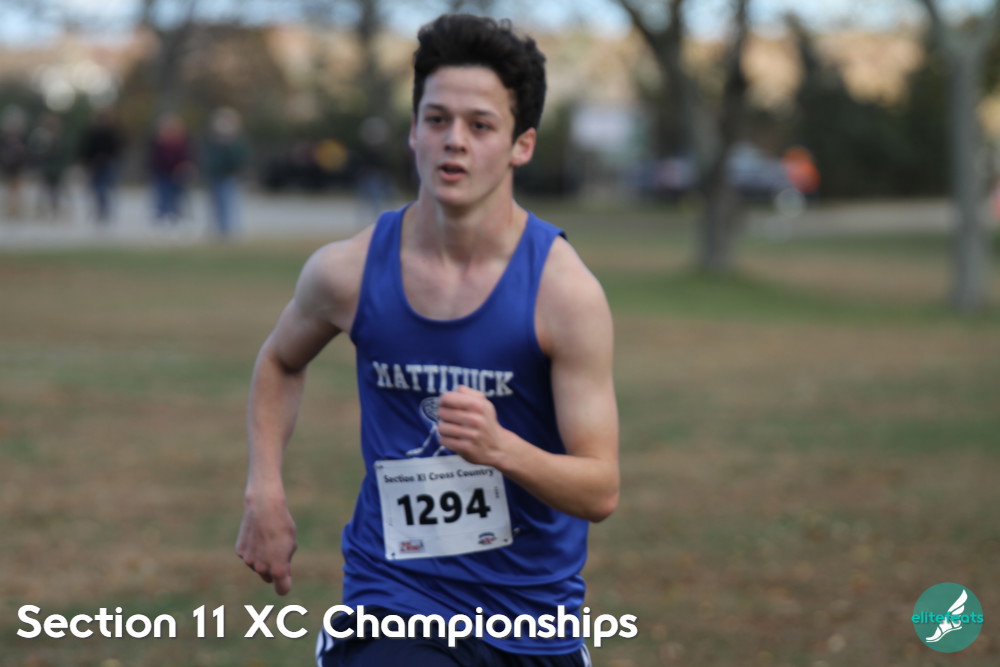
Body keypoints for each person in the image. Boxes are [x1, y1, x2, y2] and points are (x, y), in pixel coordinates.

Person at [236, 14, 619, 666]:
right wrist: (264, 490)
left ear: (522, 145)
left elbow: (599, 489)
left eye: (480, 125)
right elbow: (278, 360)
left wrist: (500, 448)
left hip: (532, 621)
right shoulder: (348, 271)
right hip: (395, 600)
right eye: (437, 119)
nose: (454, 141)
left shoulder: (564, 294)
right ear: (413, 131)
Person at [202, 107, 249, 239]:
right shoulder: (212, 139)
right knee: (215, 204)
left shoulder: (236, 140)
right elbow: (208, 157)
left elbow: (239, 158)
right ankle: (217, 230)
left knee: (228, 202)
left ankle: (228, 230)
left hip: (229, 175)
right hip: (215, 175)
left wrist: (228, 144)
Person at [78, 107, 126, 224]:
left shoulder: (113, 133)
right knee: (96, 189)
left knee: (103, 188)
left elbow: (118, 148)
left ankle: (104, 210)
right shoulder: (91, 133)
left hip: (107, 164)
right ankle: (100, 209)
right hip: (94, 165)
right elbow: (85, 149)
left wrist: (108, 158)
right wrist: (88, 161)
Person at [148, 113, 194, 224]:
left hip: (177, 172)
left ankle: (176, 215)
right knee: (162, 194)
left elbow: (187, 155)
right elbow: (153, 156)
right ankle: (162, 215)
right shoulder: (158, 140)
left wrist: (184, 166)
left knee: (177, 196)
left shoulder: (183, 140)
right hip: (162, 171)